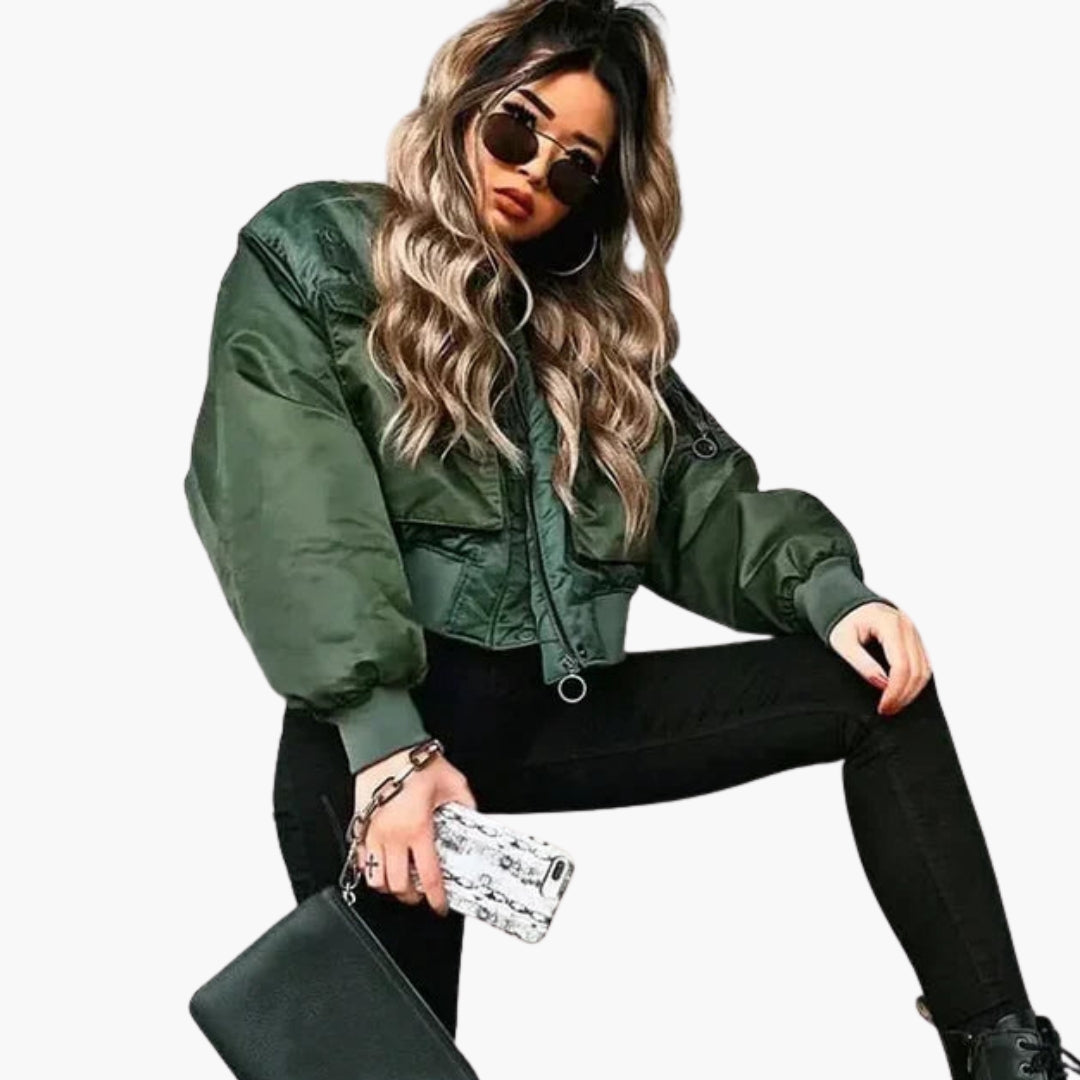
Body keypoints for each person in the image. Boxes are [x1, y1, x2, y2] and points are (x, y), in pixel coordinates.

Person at [182, 2, 1077, 1077]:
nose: (533, 172)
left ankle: (1006, 1055)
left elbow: (699, 502)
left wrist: (832, 594)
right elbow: (294, 514)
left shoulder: (587, 327)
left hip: (549, 709)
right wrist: (384, 747)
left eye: (574, 167)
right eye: (517, 128)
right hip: (379, 745)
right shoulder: (319, 254)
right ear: (467, 101)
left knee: (876, 694)